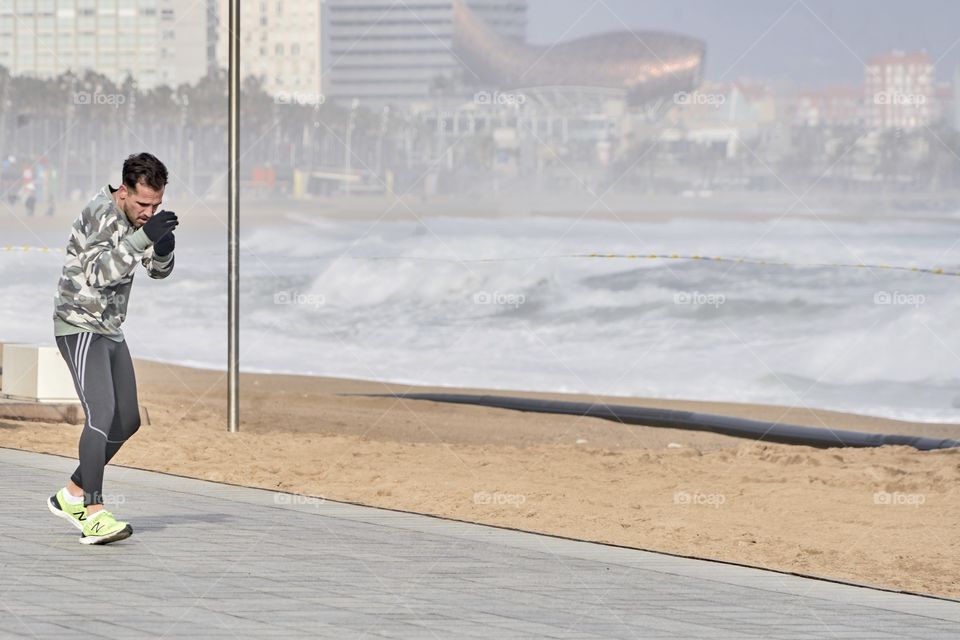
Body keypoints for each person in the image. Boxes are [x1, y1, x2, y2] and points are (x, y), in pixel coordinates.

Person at [47, 152, 178, 545]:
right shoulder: (100, 213)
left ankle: (70, 494)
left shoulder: (141, 218)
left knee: (128, 421)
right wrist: (144, 237)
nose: (148, 211)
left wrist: (163, 245)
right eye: (142, 204)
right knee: (101, 414)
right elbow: (98, 275)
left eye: (156, 205)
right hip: (79, 325)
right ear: (123, 191)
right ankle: (93, 512)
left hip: (110, 328)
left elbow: (157, 271)